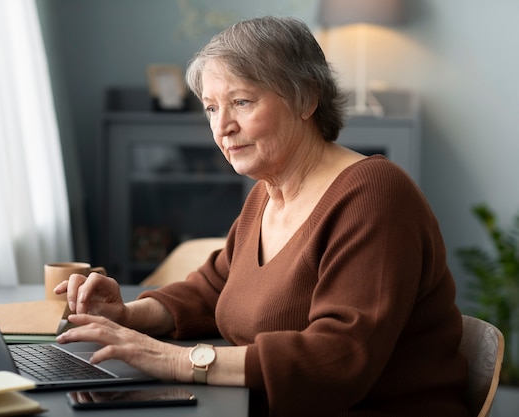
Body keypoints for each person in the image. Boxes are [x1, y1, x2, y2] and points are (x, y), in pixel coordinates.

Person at [55, 16, 470, 416]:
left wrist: (180, 361)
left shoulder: (374, 195)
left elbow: (340, 358)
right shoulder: (266, 195)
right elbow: (214, 287)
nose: (222, 127)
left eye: (241, 102)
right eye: (211, 108)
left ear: (306, 98)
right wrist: (128, 315)